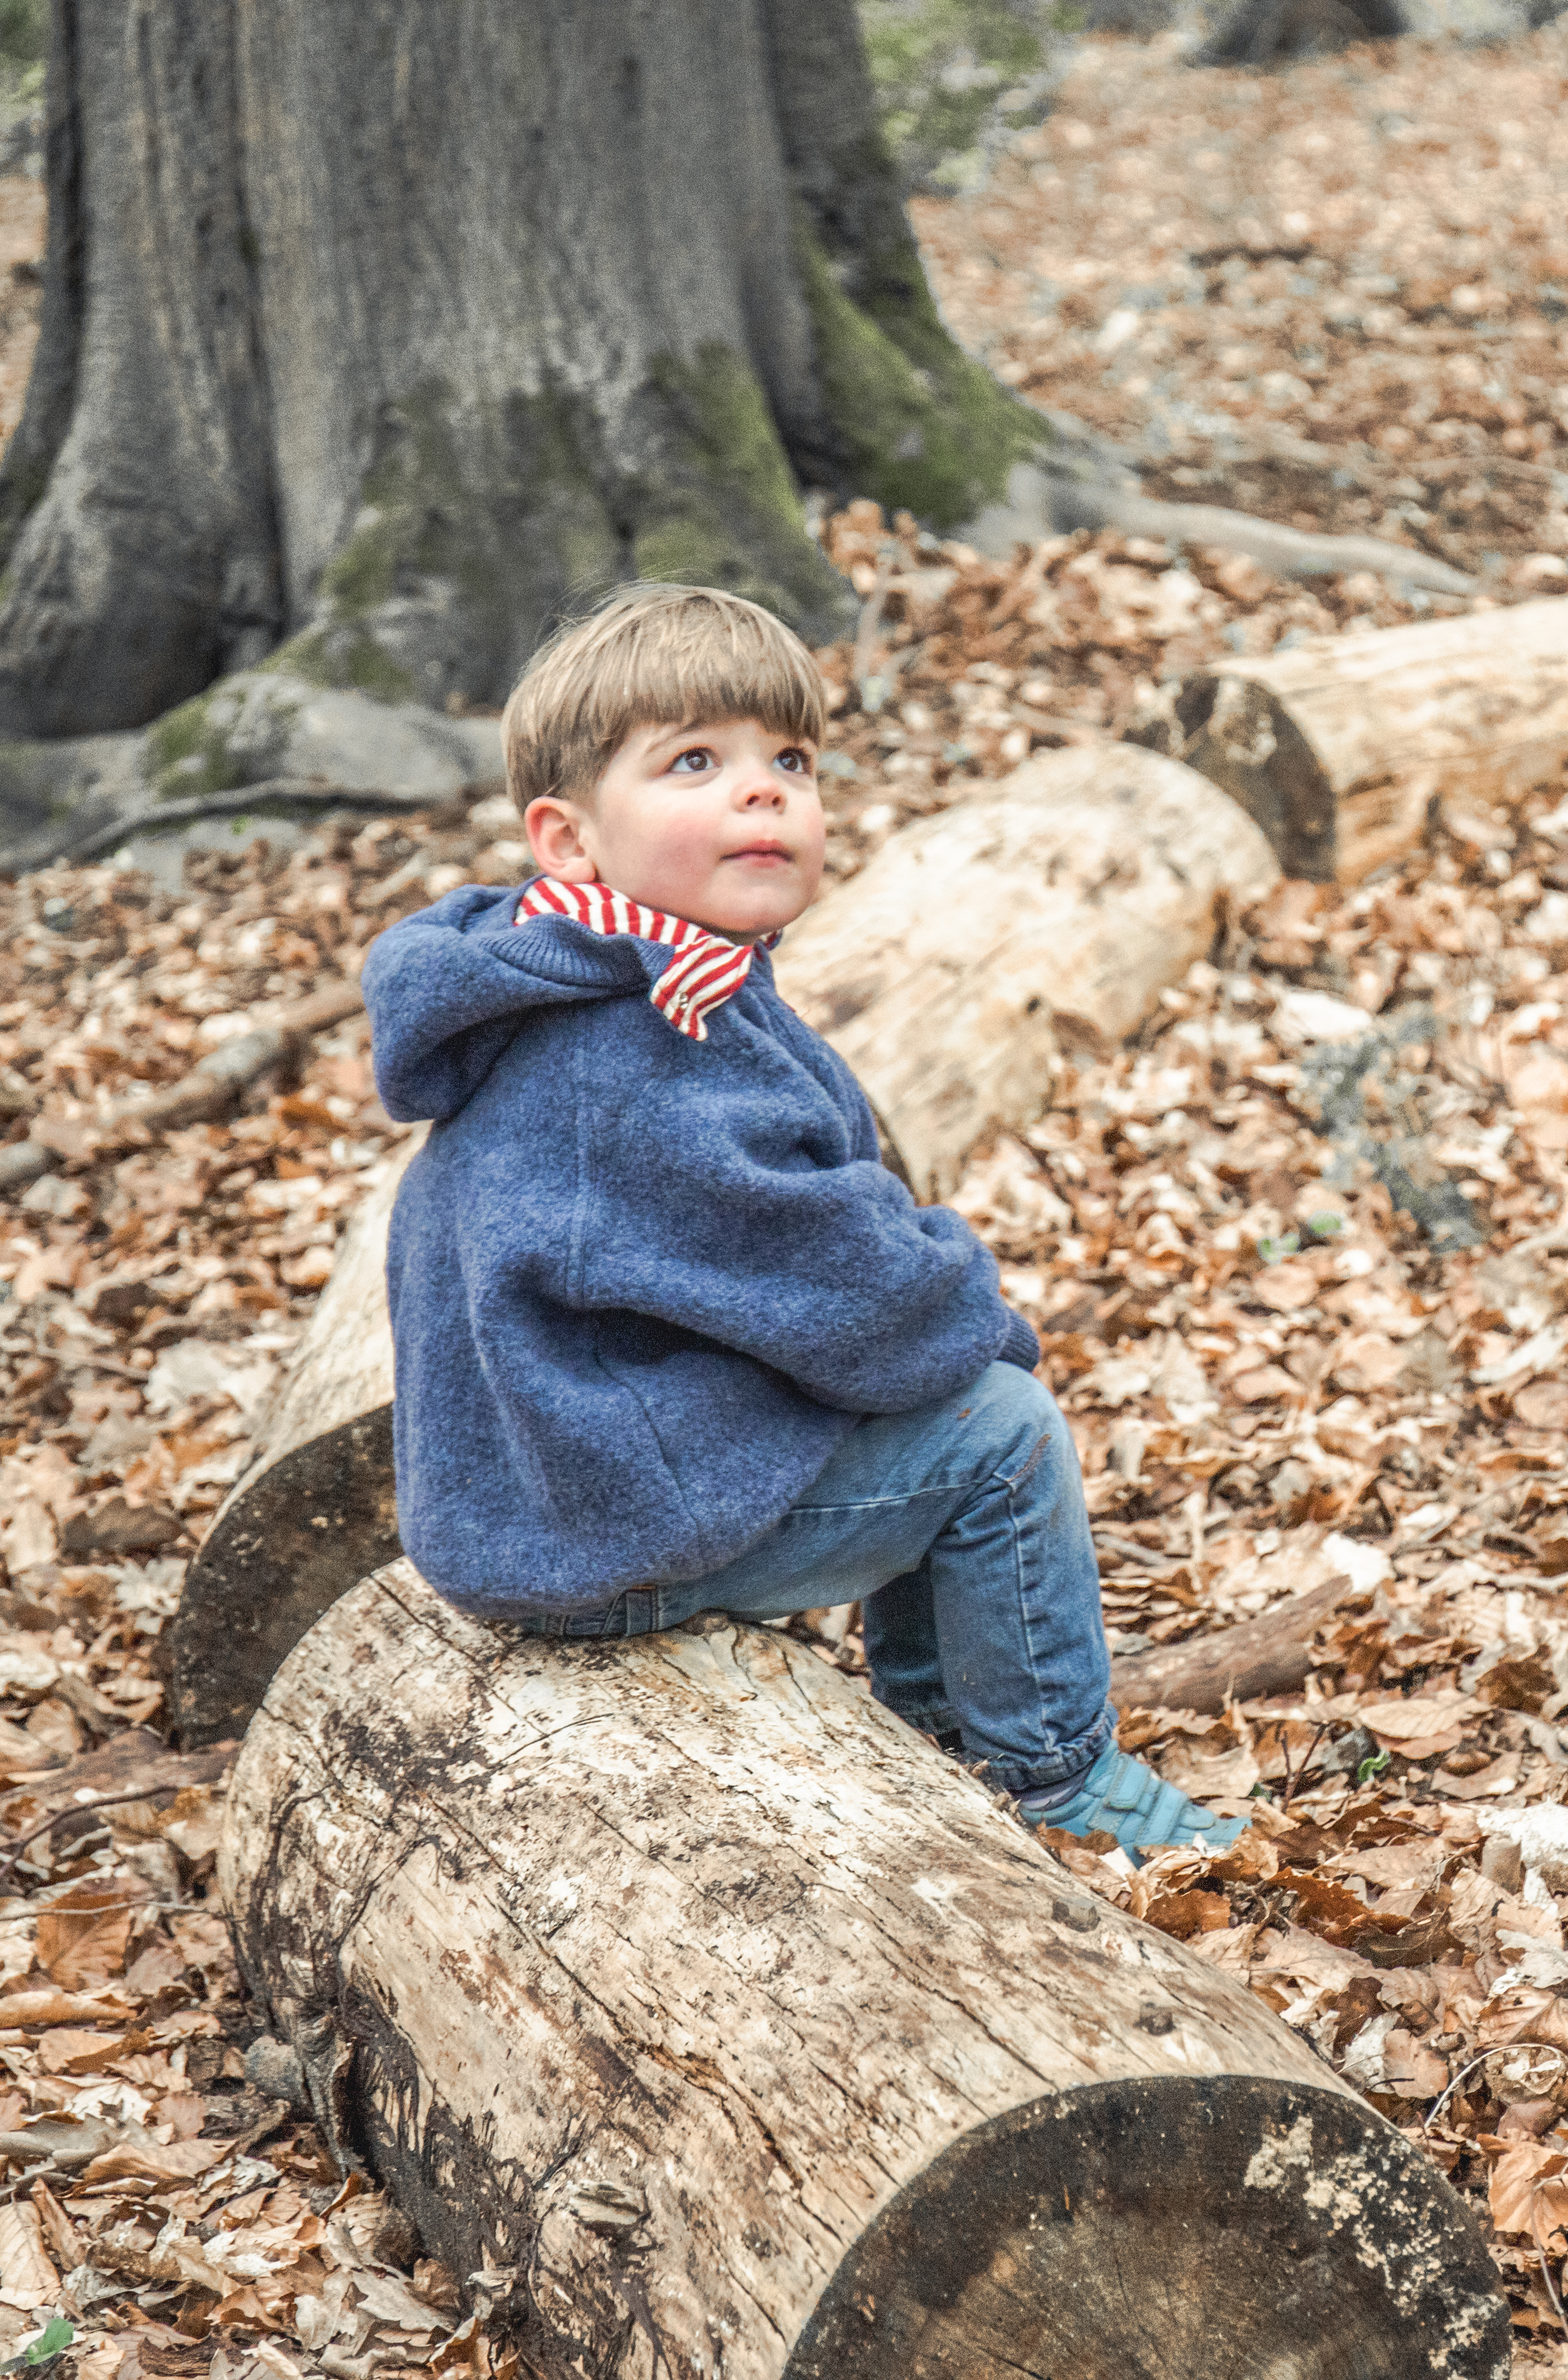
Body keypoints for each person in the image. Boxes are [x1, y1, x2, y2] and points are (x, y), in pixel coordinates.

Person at [358, 581, 1243, 1855]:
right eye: (695, 762)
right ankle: (1060, 1773)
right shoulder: (634, 1050)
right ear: (568, 840)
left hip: (575, 1468)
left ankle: (944, 1721)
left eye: (791, 759)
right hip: (589, 1521)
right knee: (997, 1430)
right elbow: (847, 1285)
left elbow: (800, 1256)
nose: (763, 789)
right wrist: (975, 1312)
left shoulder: (631, 978)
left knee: (923, 1405)